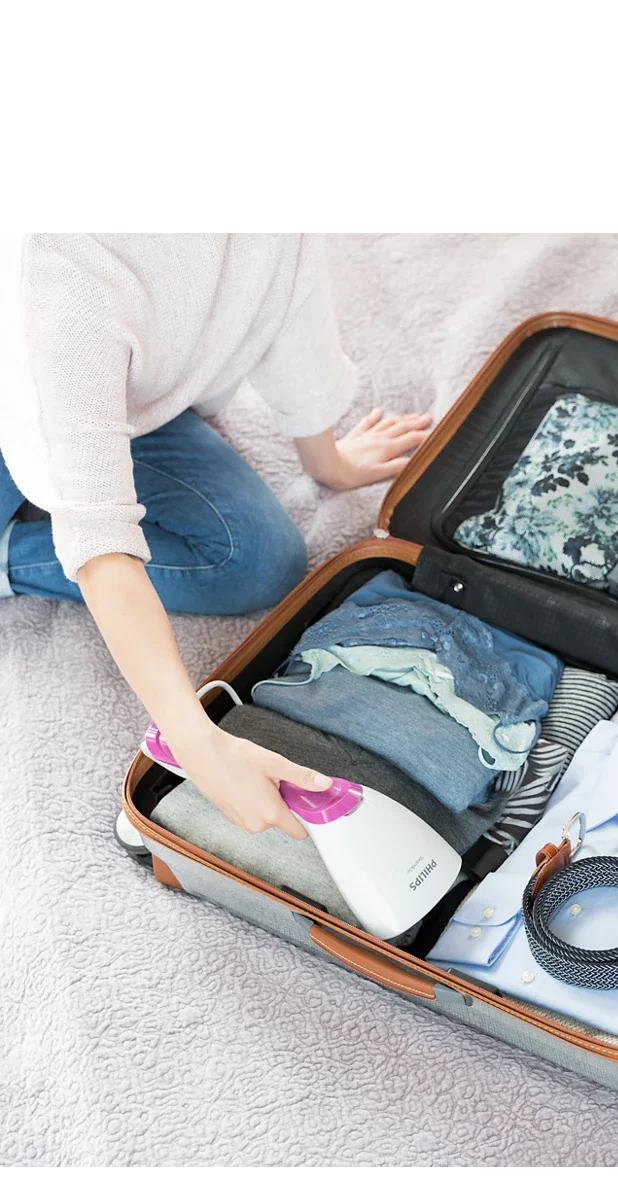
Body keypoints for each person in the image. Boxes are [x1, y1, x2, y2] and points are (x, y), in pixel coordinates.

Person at [0, 233, 432, 840]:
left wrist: (326, 461)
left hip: (126, 399)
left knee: (259, 559)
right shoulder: (67, 258)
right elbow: (100, 537)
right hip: (23, 384)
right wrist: (198, 742)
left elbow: (289, 299)